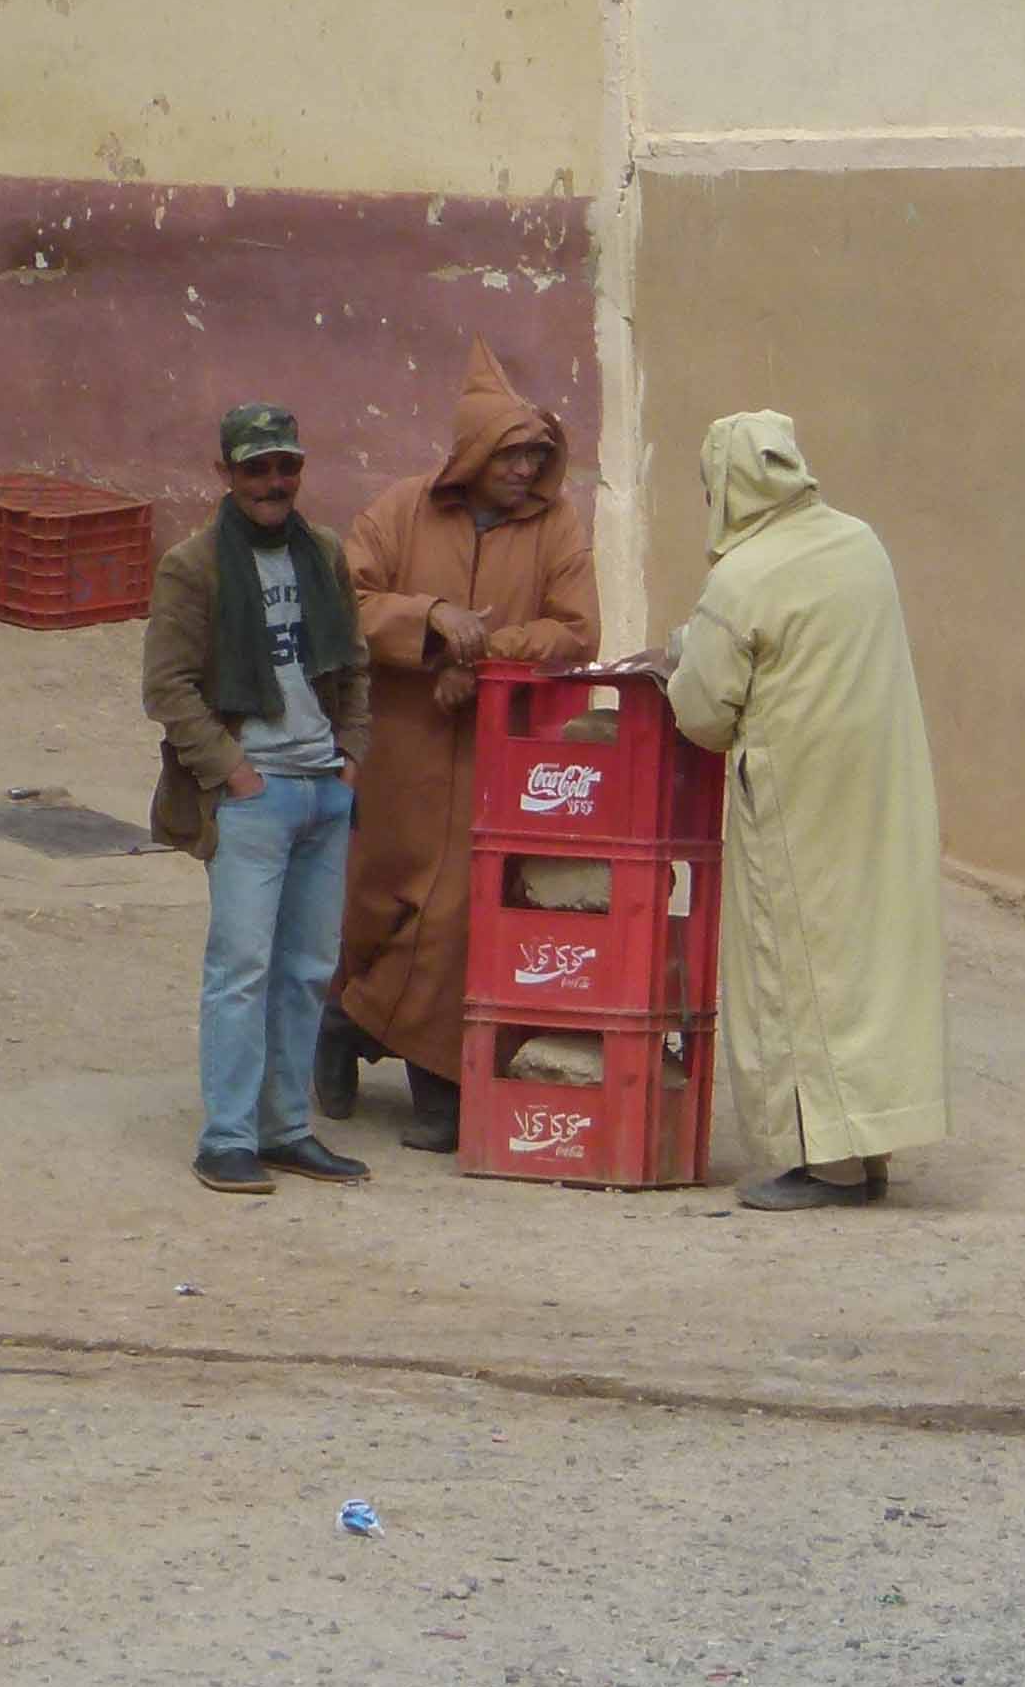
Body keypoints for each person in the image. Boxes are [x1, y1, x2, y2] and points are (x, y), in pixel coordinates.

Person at [657, 412, 949, 1210]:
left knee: (794, 975)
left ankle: (826, 1167)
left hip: (794, 809)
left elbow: (705, 713)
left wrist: (679, 658)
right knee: (865, 971)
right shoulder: (860, 544)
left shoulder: (742, 578)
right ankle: (867, 1149)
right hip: (878, 799)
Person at [320, 346, 600, 1153]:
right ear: (473, 456)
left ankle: (435, 1083)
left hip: (494, 753)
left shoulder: (556, 526)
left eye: (536, 456)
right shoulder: (400, 511)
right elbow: (345, 602)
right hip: (399, 748)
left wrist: (483, 659)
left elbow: (576, 630)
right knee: (378, 904)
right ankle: (343, 1023)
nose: (525, 470)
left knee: (457, 914)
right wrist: (433, 621)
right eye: (510, 455)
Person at [141, 404, 372, 1194]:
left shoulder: (325, 554)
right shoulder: (194, 565)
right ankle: (228, 1138)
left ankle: (286, 1129)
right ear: (226, 474)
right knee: (241, 969)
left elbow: (355, 665)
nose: (274, 483)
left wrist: (351, 759)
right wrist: (234, 773)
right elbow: (167, 688)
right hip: (253, 798)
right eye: (257, 469)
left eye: (286, 467)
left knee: (306, 970)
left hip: (322, 788)